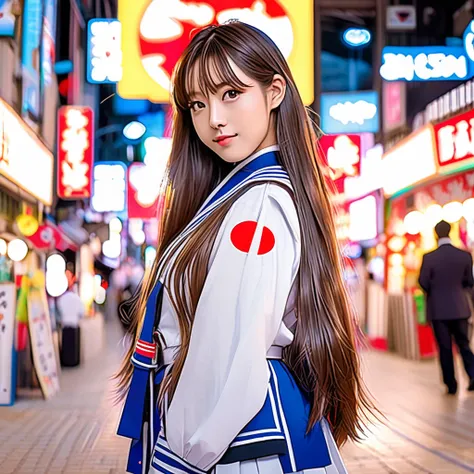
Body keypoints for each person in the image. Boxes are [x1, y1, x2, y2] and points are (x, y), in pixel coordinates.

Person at [116, 22, 377, 474]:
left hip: (236, 443)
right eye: (198, 103)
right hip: (244, 433)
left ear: (275, 91)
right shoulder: (242, 194)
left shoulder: (259, 201)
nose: (213, 117)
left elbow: (226, 346)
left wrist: (182, 453)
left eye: (230, 94)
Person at [419, 220, 474, 395]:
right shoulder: (464, 255)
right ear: (450, 232)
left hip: (438, 310)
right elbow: (469, 282)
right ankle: (473, 376)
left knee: (445, 348)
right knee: (464, 344)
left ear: (436, 234)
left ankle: (451, 384)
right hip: (460, 308)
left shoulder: (429, 257)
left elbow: (423, 283)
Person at [57, 272, 85, 367]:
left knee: (66, 347)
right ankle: (74, 362)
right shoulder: (77, 298)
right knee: (74, 347)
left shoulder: (61, 298)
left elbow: (58, 312)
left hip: (65, 326)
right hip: (74, 325)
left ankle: (66, 363)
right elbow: (82, 312)